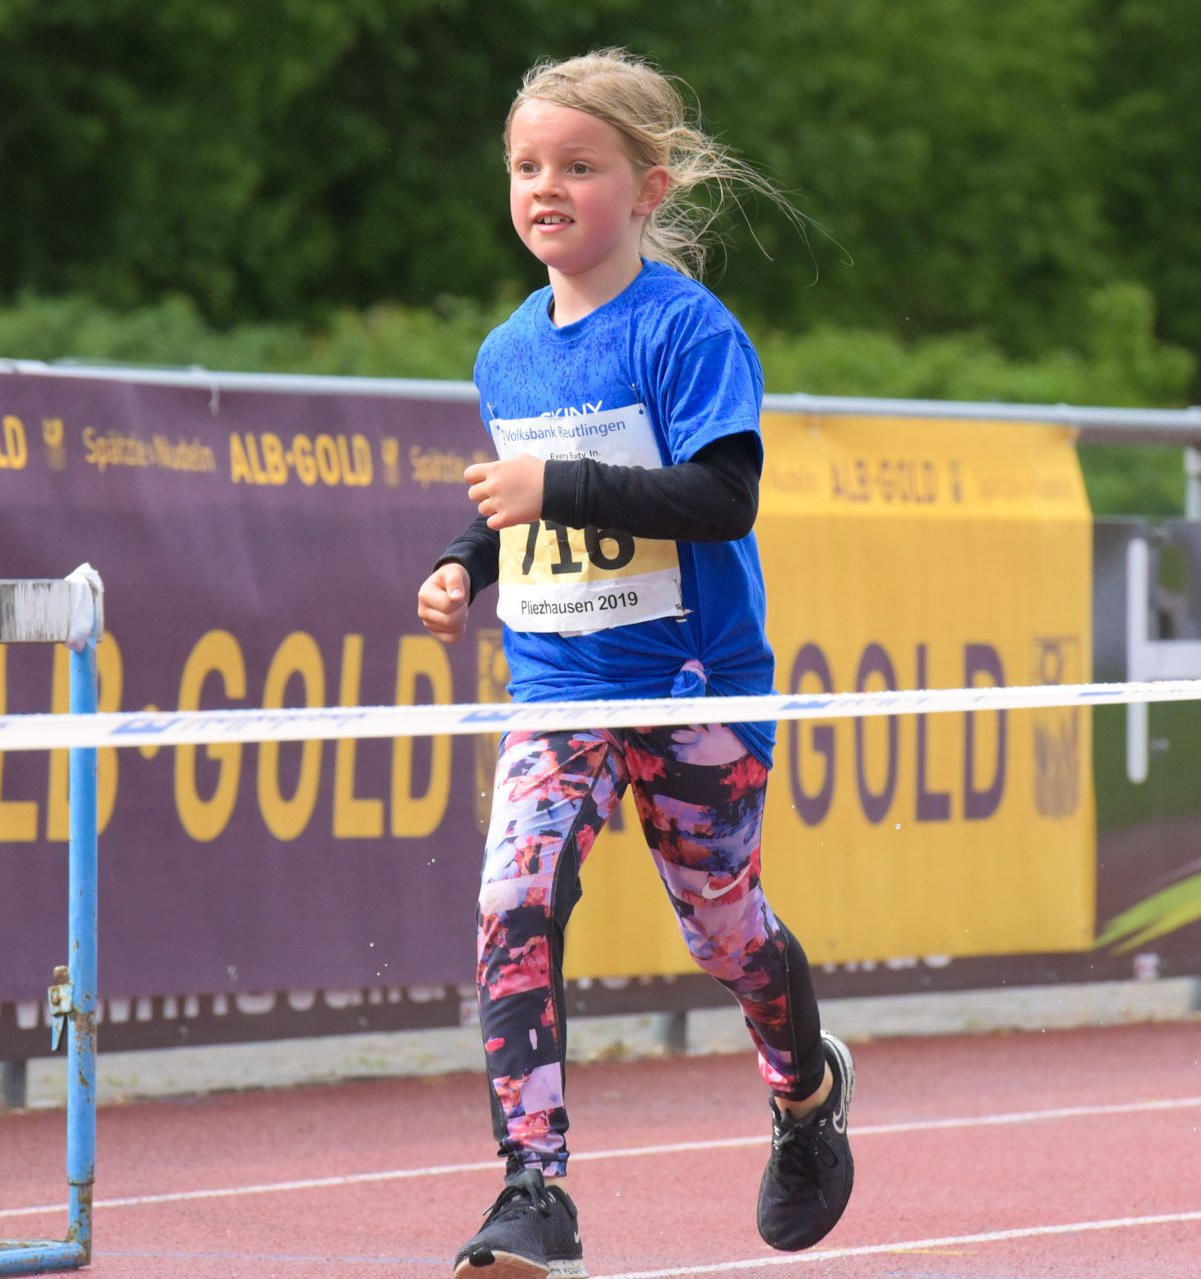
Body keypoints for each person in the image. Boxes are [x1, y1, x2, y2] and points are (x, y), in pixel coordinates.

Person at [414, 49, 853, 1278]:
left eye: (577, 166)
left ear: (648, 186)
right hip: (560, 686)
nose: (544, 187)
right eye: (524, 167)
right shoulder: (506, 351)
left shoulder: (685, 329)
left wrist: (551, 485)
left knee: (722, 932)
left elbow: (720, 498)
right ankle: (533, 1188)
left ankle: (806, 1095)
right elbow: (524, 503)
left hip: (693, 681)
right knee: (512, 903)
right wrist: (462, 561)